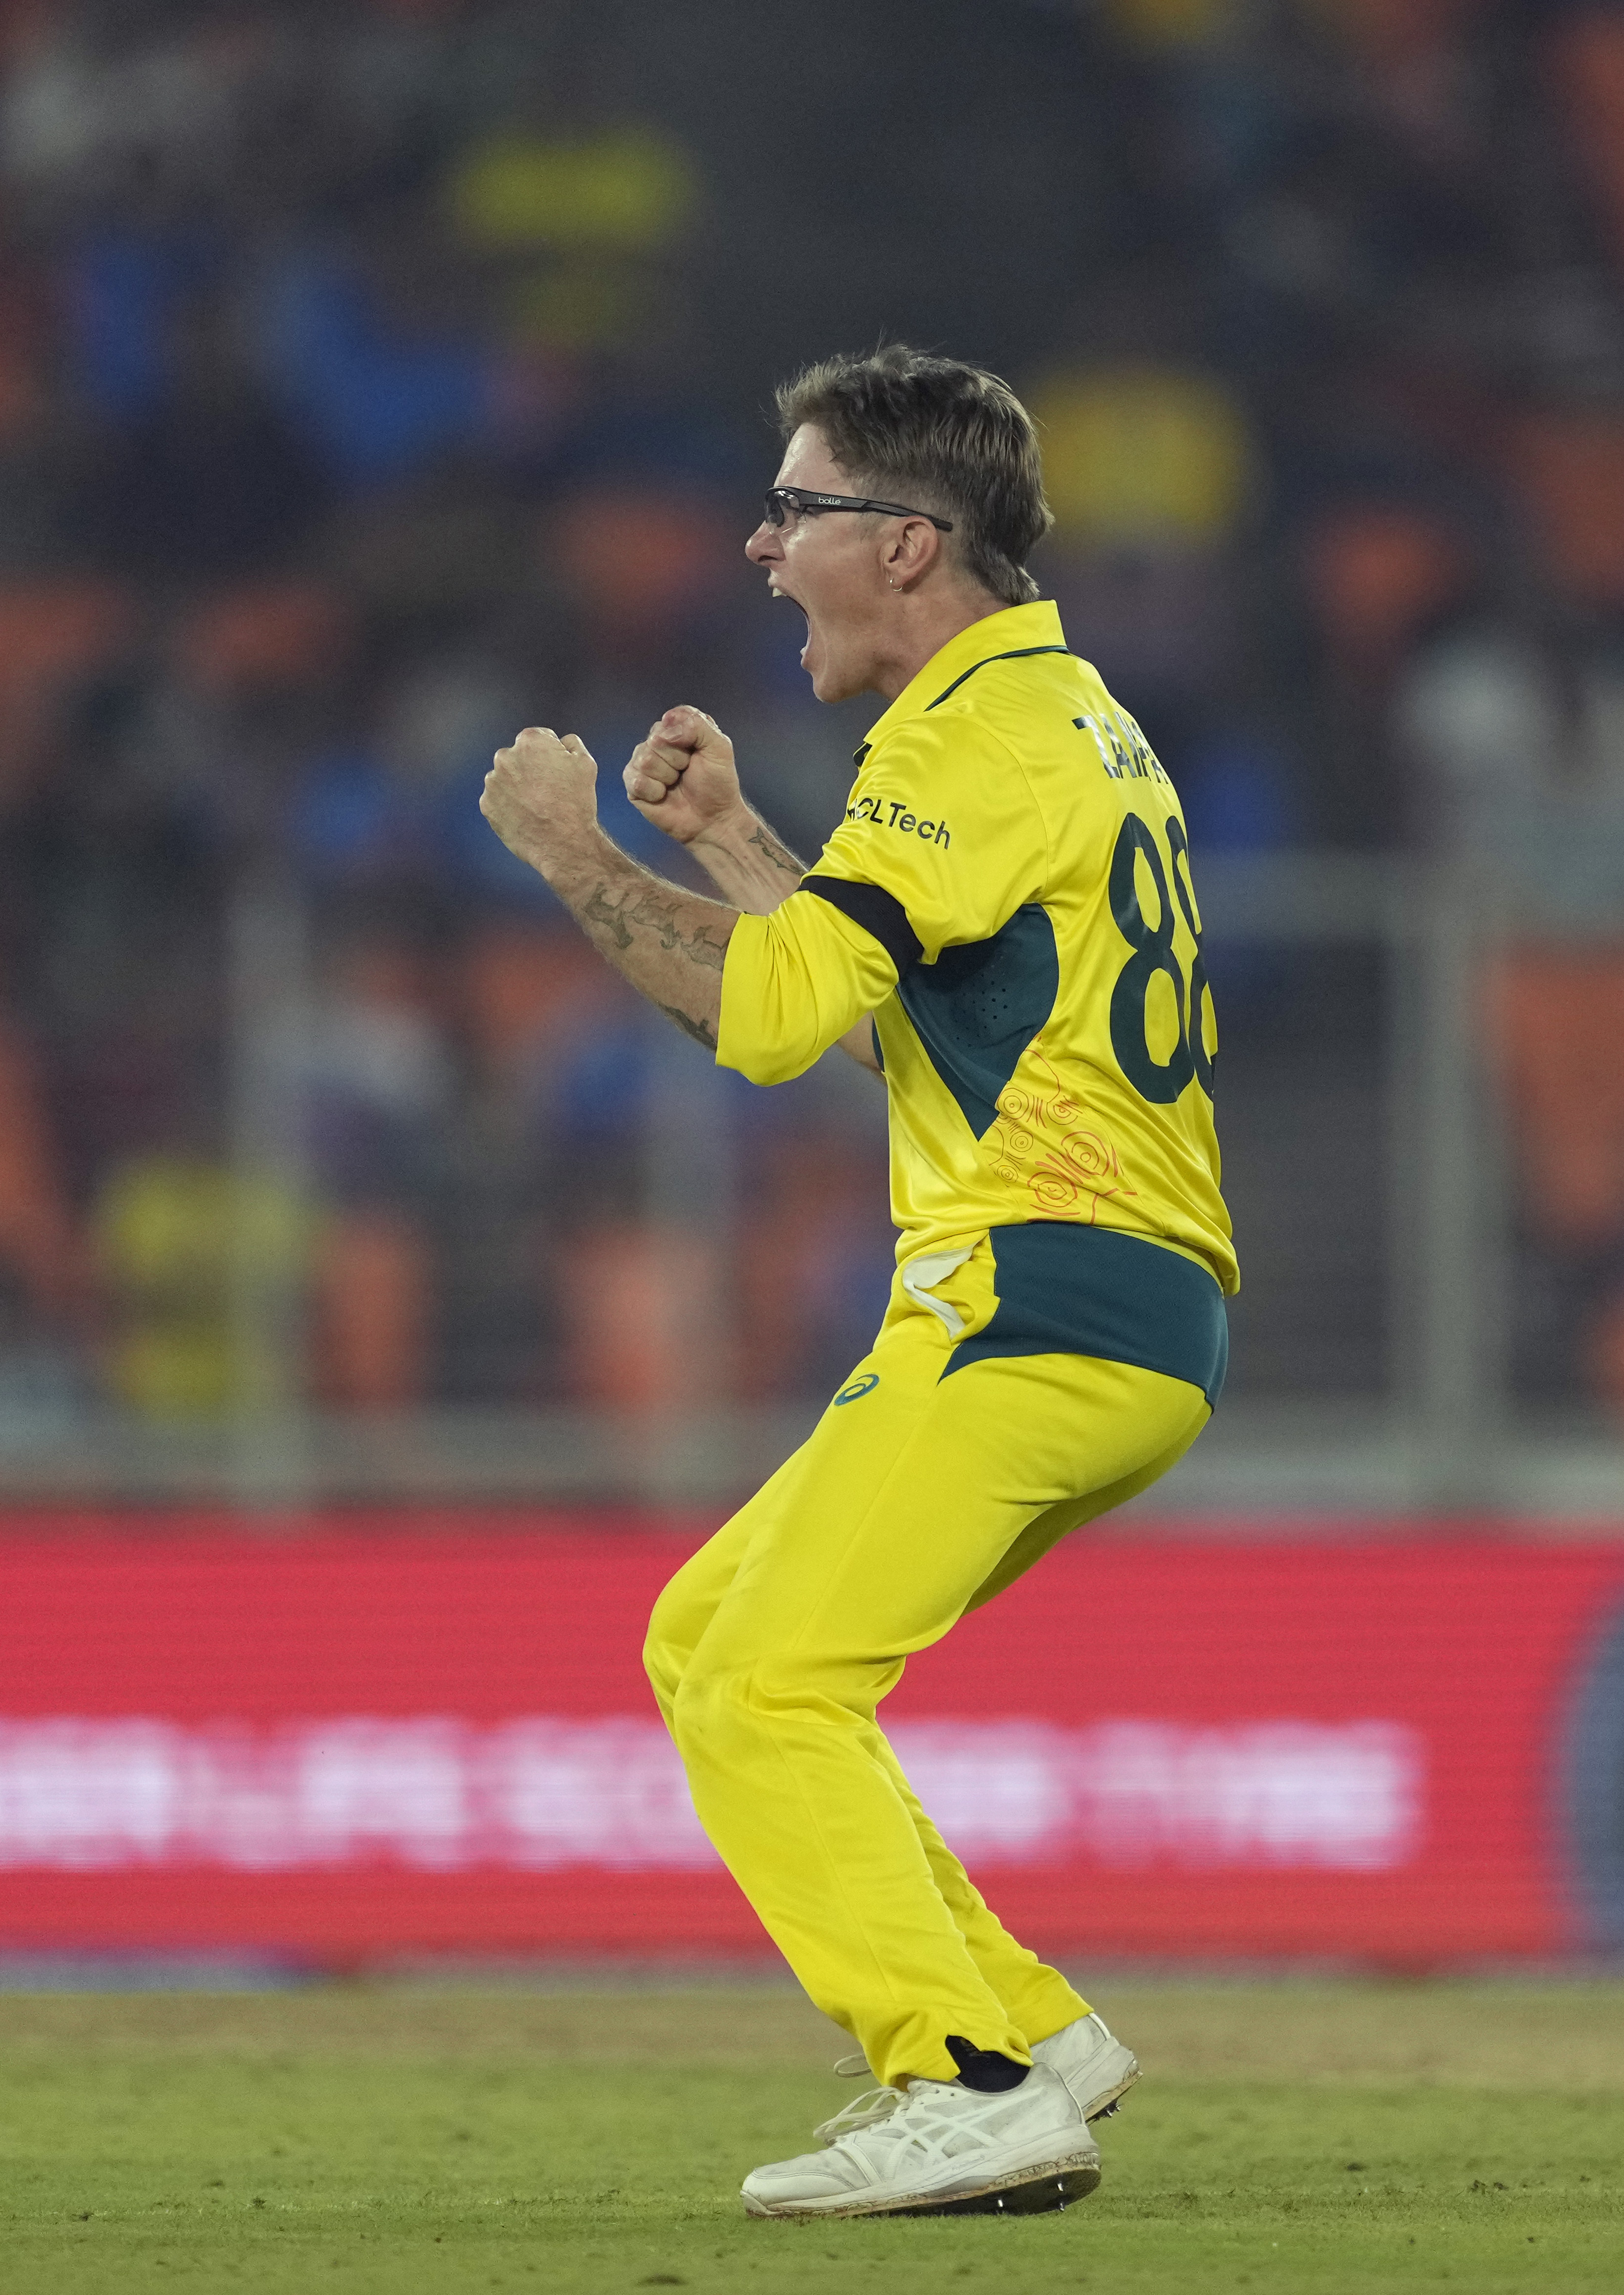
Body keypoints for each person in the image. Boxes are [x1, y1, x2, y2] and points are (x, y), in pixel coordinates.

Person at [477, 346, 1234, 2212]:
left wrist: (574, 860)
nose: (758, 545)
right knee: (705, 1638)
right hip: (1123, 1306)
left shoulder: (961, 743)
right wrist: (733, 840)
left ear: (906, 543)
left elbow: (769, 1022)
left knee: (765, 1689)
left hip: (1029, 1301)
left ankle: (960, 2077)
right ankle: (1022, 2025)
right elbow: (886, 1000)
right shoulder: (1063, 720)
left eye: (794, 510)